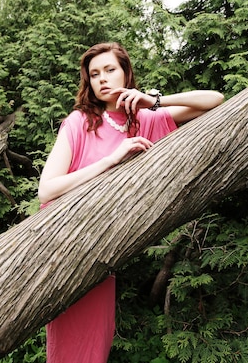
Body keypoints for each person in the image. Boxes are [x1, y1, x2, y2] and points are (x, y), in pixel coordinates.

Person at [38, 42, 224, 362]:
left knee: (96, 340)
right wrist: (111, 160)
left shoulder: (145, 119)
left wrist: (154, 100)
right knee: (68, 341)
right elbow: (47, 191)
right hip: (63, 242)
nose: (102, 79)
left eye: (110, 70)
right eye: (94, 74)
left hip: (103, 248)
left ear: (126, 72)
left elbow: (215, 101)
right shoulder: (80, 122)